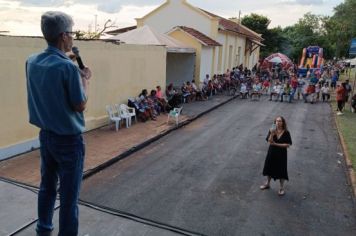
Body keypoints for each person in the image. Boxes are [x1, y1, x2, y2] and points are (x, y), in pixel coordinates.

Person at [26, 11, 91, 236]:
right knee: (69, 199)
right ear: (64, 36)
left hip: (46, 137)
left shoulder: (32, 62)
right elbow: (79, 104)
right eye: (72, 33)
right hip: (69, 142)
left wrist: (68, 63)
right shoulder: (68, 68)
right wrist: (84, 79)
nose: (73, 38)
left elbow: (51, 80)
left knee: (47, 187)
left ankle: (43, 230)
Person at [260, 116, 292, 196]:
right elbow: (269, 141)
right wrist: (271, 134)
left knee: (281, 170)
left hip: (281, 154)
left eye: (280, 121)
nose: (278, 122)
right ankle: (267, 183)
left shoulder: (286, 132)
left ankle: (281, 188)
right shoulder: (272, 130)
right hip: (272, 153)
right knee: (269, 168)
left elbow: (287, 145)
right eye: (276, 121)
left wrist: (276, 144)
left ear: (283, 123)